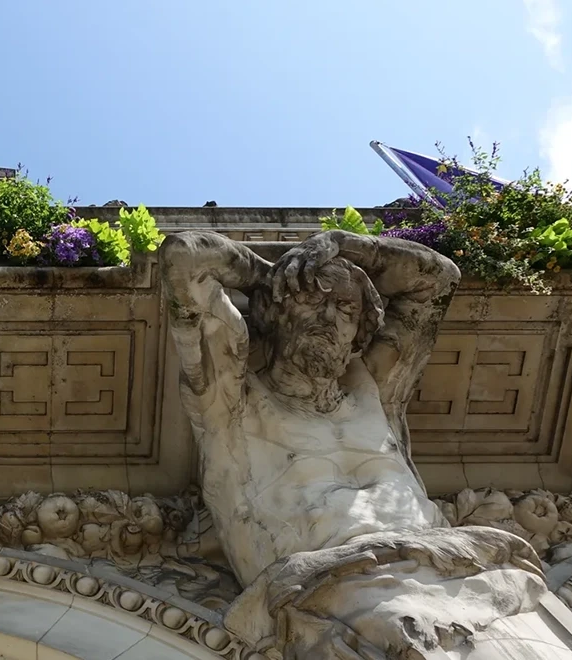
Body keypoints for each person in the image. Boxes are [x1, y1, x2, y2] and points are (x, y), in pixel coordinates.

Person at [157, 229, 460, 585]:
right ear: (275, 314)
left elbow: (439, 280)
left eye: (346, 308)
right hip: (328, 587)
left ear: (359, 330)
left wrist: (341, 242)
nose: (329, 317)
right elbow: (184, 257)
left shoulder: (376, 389)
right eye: (312, 300)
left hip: (450, 565)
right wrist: (268, 277)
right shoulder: (230, 403)